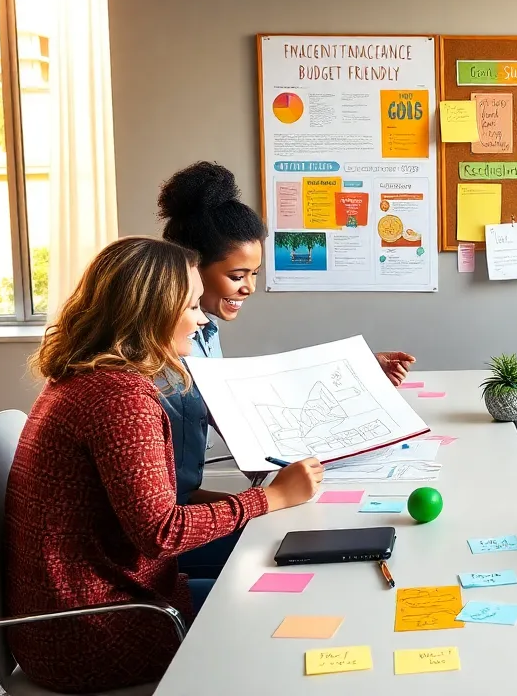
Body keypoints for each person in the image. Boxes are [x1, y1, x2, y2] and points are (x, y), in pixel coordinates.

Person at [5, 236, 324, 693]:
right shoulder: (120, 398)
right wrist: (271, 497)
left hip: (68, 618)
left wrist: (263, 501)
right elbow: (162, 533)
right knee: (286, 603)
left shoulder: (84, 378)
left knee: (272, 563)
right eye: (192, 306)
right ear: (150, 312)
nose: (201, 320)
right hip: (95, 633)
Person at [156, 162, 414, 577]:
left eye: (254, 274)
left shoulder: (203, 332)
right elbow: (159, 529)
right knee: (302, 550)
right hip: (168, 526)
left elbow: (240, 402)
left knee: (317, 530)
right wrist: (270, 497)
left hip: (181, 507)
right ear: (191, 270)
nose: (249, 287)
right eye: (237, 275)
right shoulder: (146, 366)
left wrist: (360, 372)